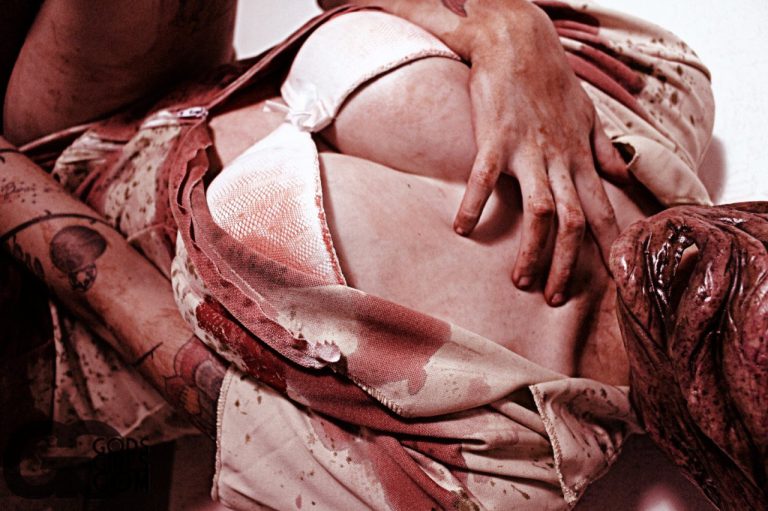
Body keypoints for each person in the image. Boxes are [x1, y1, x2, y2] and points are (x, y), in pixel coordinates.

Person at [0, 1, 716, 509]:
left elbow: (141, 317)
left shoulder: (493, 476)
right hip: (147, 98)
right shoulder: (654, 88)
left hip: (50, 314)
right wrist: (501, 23)